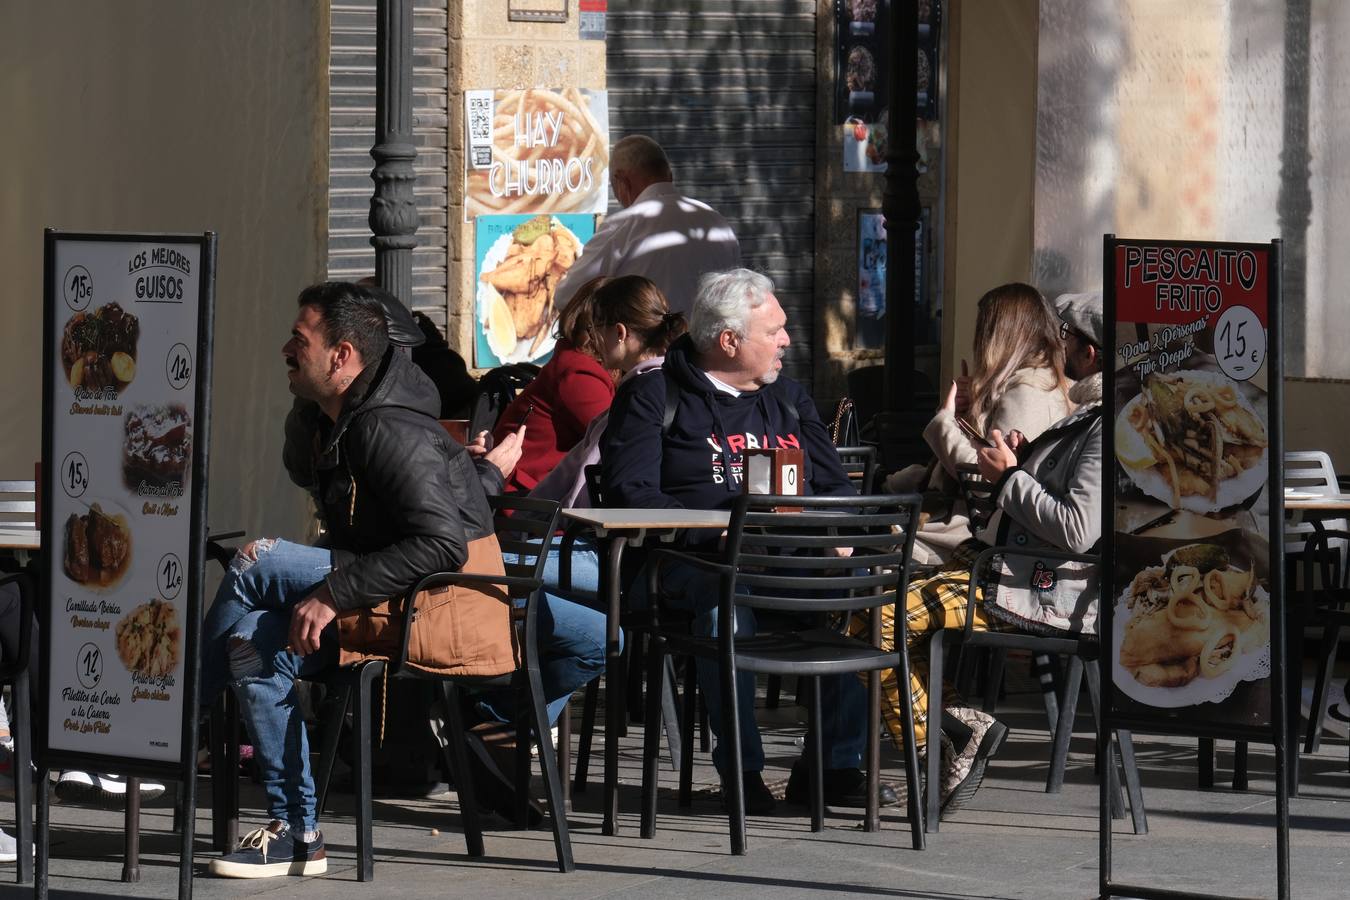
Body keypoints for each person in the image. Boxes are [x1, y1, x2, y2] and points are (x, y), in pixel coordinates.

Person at [203, 281, 510, 879]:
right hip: (397, 593)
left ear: (342, 356)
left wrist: (330, 593)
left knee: (256, 562)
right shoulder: (345, 415)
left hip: (443, 604)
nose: (286, 349)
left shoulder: (386, 428)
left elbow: (441, 543)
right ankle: (298, 833)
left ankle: (169, 720)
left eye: (300, 340)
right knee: (249, 641)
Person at [601, 268, 895, 814]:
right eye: (775, 331)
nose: (787, 340)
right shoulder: (653, 395)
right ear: (729, 341)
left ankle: (834, 766)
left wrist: (840, 535)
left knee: (857, 595)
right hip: (685, 565)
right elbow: (630, 492)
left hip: (785, 561)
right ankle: (743, 772)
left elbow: (832, 484)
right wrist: (723, 529)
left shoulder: (788, 398)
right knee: (724, 603)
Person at [851, 290, 1105, 818]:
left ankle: (948, 737)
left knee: (875, 619)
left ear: (1092, 354)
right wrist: (1020, 458)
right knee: (866, 612)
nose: (1060, 347)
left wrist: (1009, 474)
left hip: (1034, 584)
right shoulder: (1086, 414)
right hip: (1005, 564)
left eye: (1069, 339)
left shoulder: (1106, 425)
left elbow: (1077, 529)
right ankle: (954, 735)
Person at [894, 282, 1075, 565]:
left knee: (872, 551)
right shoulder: (1036, 383)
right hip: (977, 530)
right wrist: (969, 411)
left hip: (974, 537)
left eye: (983, 328)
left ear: (998, 334)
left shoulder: (1029, 391)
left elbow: (986, 481)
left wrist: (945, 422)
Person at [550, 136, 740, 317]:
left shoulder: (623, 225)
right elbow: (735, 292)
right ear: (670, 176)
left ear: (621, 182)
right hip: (708, 347)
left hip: (650, 348)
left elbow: (567, 297)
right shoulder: (717, 222)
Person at [490, 278, 617, 494]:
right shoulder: (580, 373)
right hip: (529, 502)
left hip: (538, 495)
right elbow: (618, 439)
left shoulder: (573, 362)